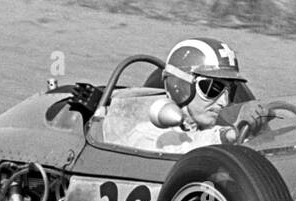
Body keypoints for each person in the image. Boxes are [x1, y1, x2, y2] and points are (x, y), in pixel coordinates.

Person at [105, 37, 262, 153]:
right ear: (181, 87)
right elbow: (186, 153)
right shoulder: (147, 134)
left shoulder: (215, 127)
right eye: (212, 88)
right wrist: (228, 136)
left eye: (230, 90)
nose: (223, 101)